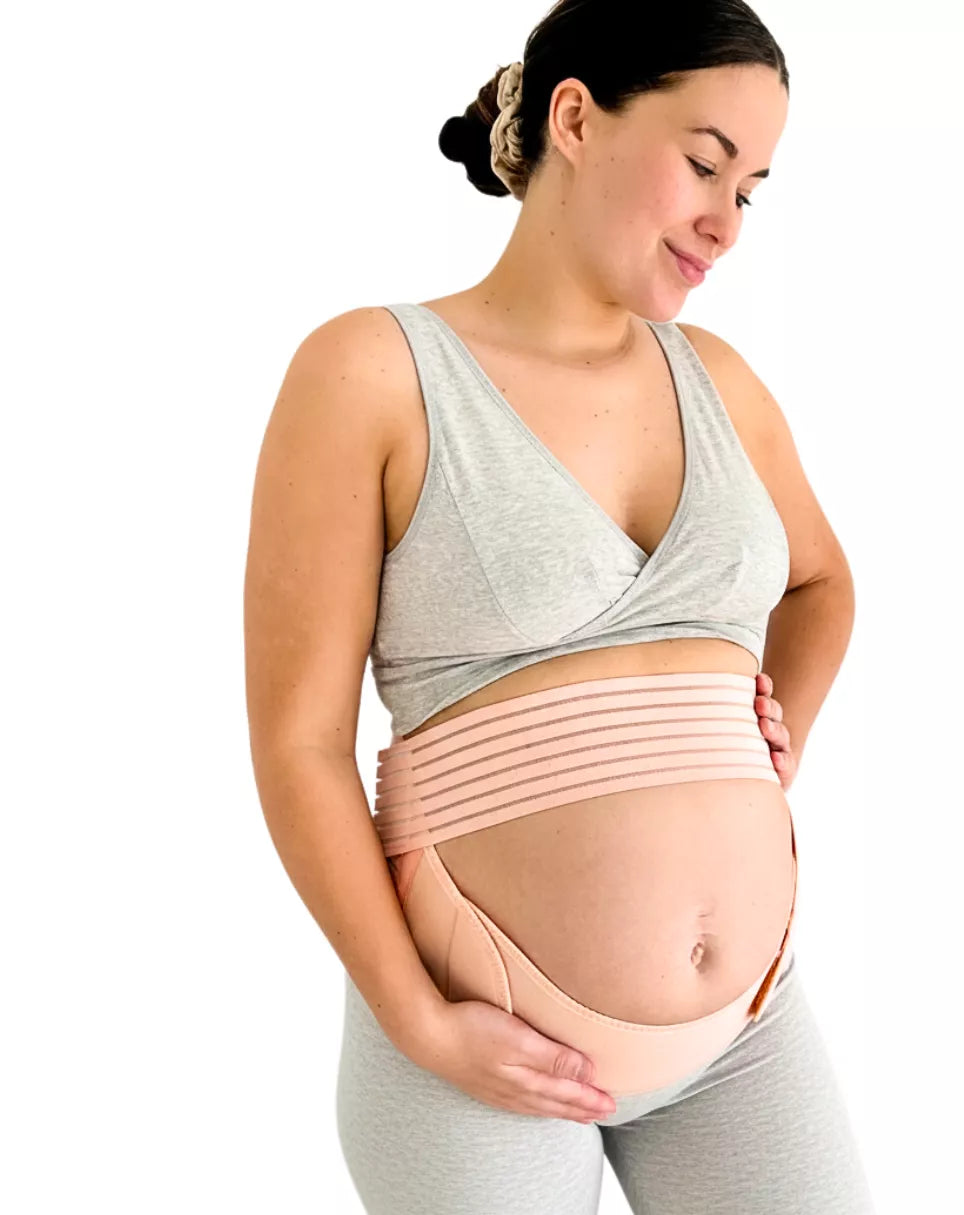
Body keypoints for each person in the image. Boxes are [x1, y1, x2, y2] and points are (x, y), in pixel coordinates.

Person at [244, 1, 876, 1210]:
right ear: (576, 118)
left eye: (751, 191)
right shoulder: (371, 372)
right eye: (704, 164)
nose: (726, 222)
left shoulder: (721, 382)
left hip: (745, 1033)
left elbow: (821, 582)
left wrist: (764, 742)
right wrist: (419, 1019)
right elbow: (300, 745)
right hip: (478, 1037)